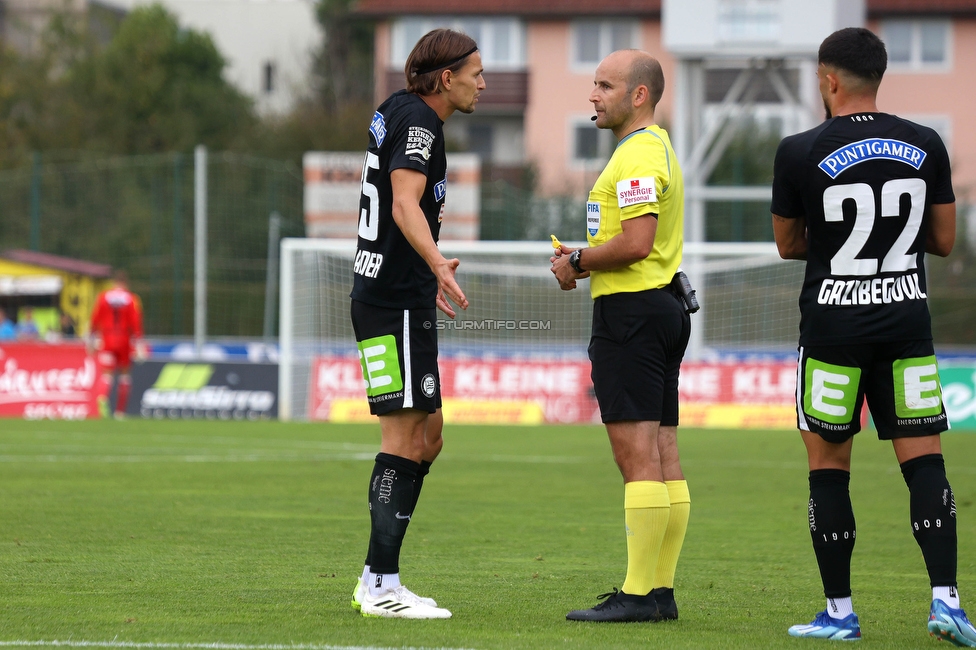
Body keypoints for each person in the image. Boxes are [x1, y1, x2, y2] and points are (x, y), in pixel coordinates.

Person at [772, 27, 975, 645]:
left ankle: (840, 612)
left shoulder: (799, 149)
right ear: (879, 77)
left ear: (829, 80)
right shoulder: (926, 142)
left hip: (833, 327)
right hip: (907, 325)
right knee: (925, 461)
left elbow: (787, 245)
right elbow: (942, 241)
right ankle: (949, 604)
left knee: (829, 464)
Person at [348, 27, 484, 620]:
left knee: (429, 437)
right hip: (392, 302)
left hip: (393, 298)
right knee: (403, 439)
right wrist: (436, 265)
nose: (484, 82)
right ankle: (380, 583)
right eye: (476, 72)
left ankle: (377, 574)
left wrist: (428, 276)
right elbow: (404, 204)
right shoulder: (422, 125)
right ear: (446, 77)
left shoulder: (397, 109)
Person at [551, 49, 692, 623]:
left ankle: (638, 595)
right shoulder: (654, 148)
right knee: (662, 456)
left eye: (604, 85)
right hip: (657, 307)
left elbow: (635, 243)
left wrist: (577, 261)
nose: (592, 95)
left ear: (639, 95)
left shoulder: (636, 155)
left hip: (632, 313)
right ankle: (659, 592)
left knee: (637, 458)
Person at [89, 271, 146, 420]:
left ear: (114, 283)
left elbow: (95, 318)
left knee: (106, 374)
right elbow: (136, 322)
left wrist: (91, 337)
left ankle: (102, 397)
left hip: (107, 338)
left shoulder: (103, 297)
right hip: (124, 339)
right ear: (126, 284)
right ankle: (120, 412)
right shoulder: (132, 299)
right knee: (125, 375)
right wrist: (139, 343)